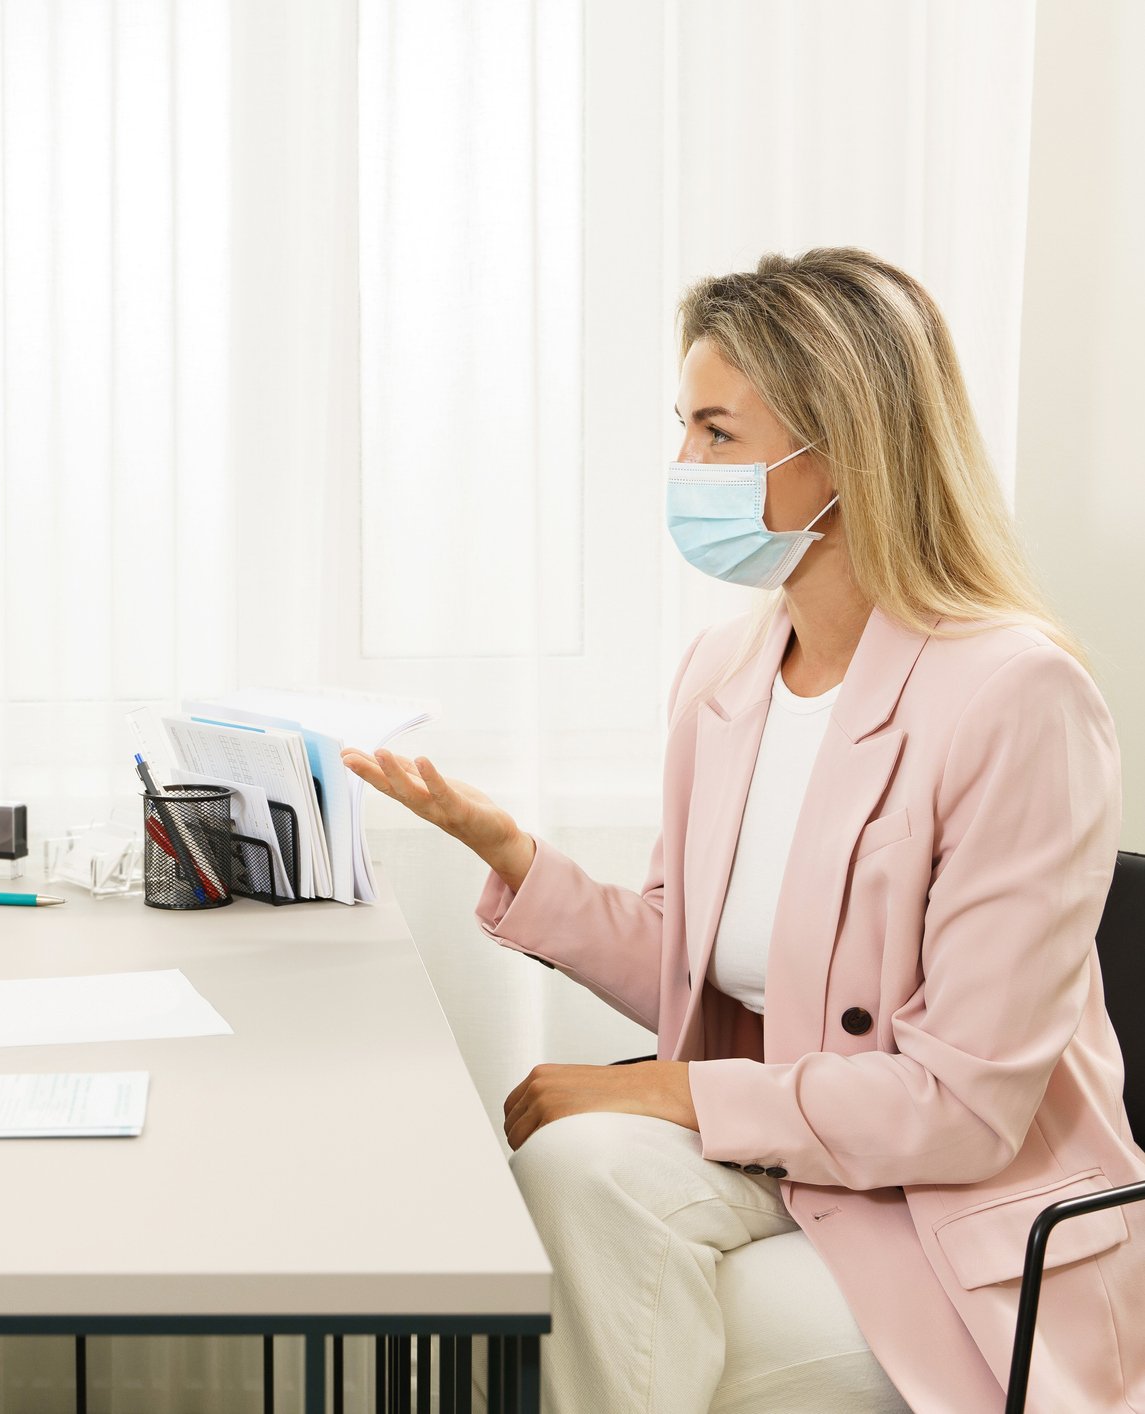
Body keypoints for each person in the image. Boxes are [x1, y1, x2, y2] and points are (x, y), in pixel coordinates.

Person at [346, 248, 1141, 1413]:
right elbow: (698, 950)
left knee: (600, 1309)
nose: (685, 467)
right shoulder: (726, 674)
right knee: (568, 1171)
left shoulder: (1016, 696)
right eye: (684, 429)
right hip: (796, 1157)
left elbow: (961, 1113)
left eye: (717, 432)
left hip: (954, 1214)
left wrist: (665, 1094)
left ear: (845, 448)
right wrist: (513, 856)